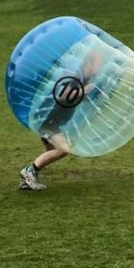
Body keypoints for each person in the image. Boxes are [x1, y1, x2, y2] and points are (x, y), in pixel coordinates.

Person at [19, 51, 103, 190]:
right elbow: (64, 96)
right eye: (99, 62)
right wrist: (85, 90)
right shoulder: (77, 76)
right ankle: (28, 171)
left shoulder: (84, 78)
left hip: (52, 121)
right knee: (62, 149)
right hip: (48, 121)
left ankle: (28, 179)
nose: (101, 66)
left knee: (51, 151)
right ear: (90, 63)